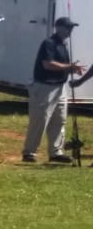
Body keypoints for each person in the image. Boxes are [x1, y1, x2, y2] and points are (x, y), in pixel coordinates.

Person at [22, 16, 84, 163]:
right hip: (45, 87)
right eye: (68, 27)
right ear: (58, 27)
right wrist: (70, 67)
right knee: (40, 120)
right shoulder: (49, 43)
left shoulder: (63, 45)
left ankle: (56, 152)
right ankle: (29, 152)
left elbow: (60, 67)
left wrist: (72, 70)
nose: (70, 30)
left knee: (60, 119)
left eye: (72, 28)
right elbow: (48, 64)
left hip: (60, 86)